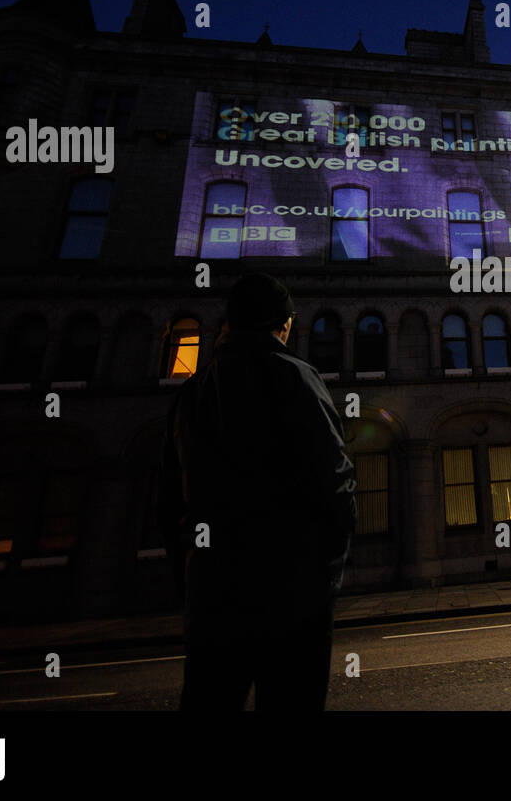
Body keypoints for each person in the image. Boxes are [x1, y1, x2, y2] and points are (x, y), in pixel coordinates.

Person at [158, 273, 356, 710]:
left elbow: (170, 504)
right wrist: (322, 581)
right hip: (291, 599)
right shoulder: (295, 378)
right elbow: (336, 486)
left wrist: (192, 581)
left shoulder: (193, 392)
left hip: (214, 600)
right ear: (283, 325)